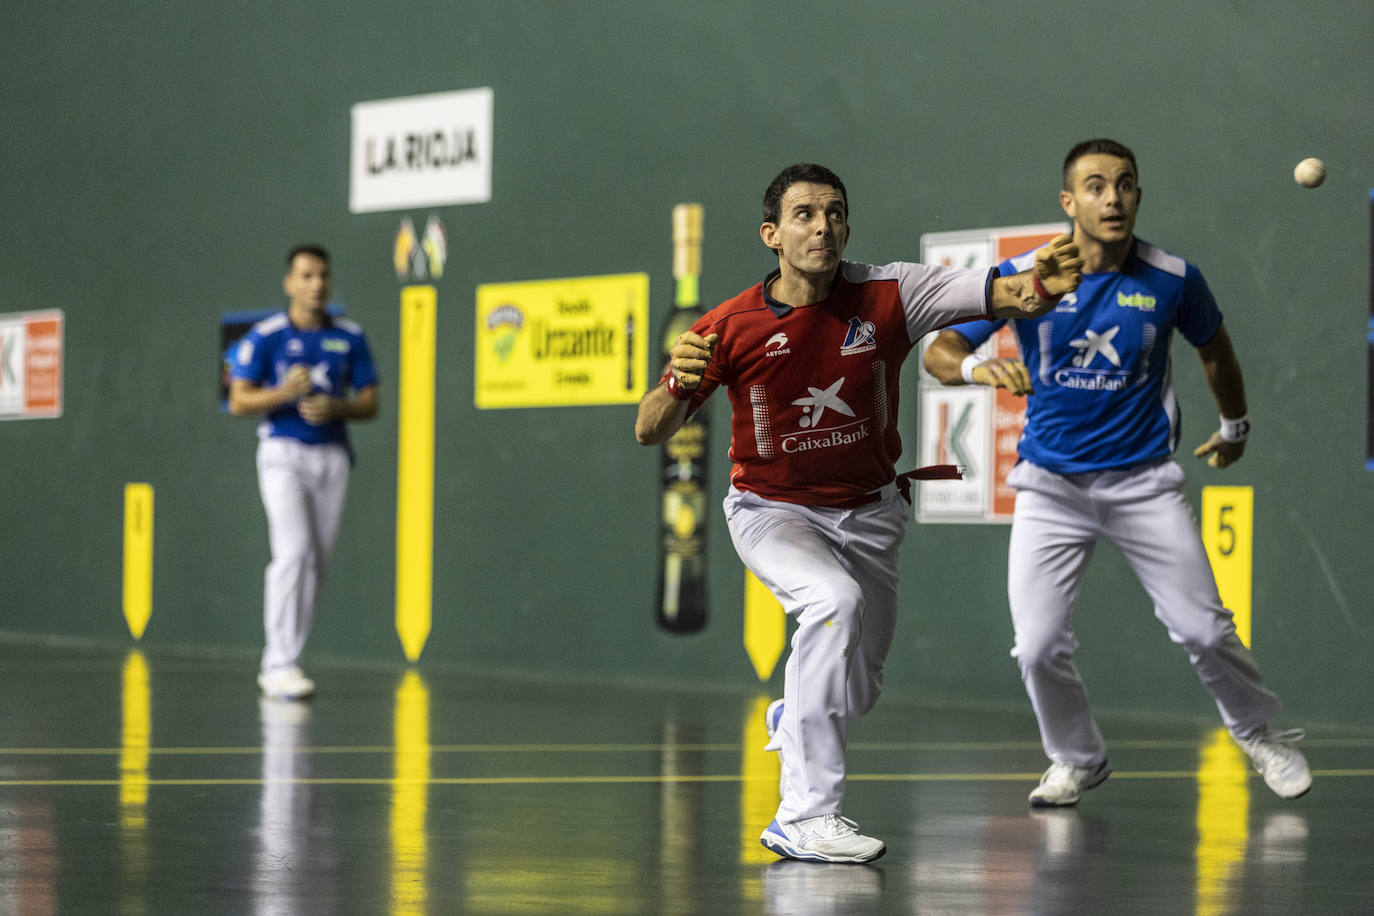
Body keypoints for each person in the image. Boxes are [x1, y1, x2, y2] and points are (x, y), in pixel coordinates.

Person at [635, 163, 1084, 863]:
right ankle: (803, 816)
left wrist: (1041, 283)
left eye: (835, 212)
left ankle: (799, 717)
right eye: (806, 214)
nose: (823, 226)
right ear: (772, 235)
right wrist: (676, 378)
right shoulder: (728, 325)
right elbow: (650, 428)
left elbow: (1008, 292)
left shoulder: (891, 291)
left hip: (871, 514)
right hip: (772, 511)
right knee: (832, 603)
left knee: (859, 687)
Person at [923, 138, 1311, 807]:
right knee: (1037, 646)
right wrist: (979, 369)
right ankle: (1077, 758)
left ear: (1138, 195)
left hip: (1142, 484)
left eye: (1125, 184)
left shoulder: (1172, 278)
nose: (1113, 198)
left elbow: (1214, 348)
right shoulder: (1027, 276)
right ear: (1068, 202)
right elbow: (942, 350)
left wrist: (1234, 426)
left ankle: (1259, 732)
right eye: (1096, 186)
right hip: (1050, 487)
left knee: (1203, 628)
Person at [229, 244, 379, 701]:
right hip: (281, 453)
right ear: (289, 283)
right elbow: (239, 400)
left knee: (317, 564)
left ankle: (288, 659)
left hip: (332, 455)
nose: (317, 285)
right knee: (292, 552)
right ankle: (277, 663)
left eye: (323, 277)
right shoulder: (267, 335)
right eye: (307, 276)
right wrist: (281, 393)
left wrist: (339, 406)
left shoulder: (350, 336)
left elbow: (371, 404)